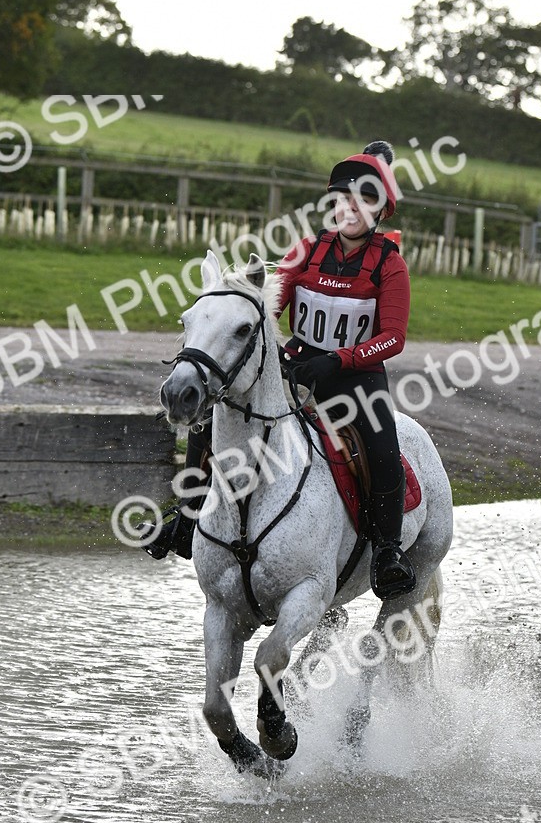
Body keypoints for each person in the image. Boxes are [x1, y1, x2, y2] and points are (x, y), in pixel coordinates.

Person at [144, 140, 416, 600]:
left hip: (357, 376)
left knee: (384, 449)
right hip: (298, 364)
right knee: (213, 417)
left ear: (381, 211)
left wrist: (336, 360)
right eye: (343, 199)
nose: (350, 209)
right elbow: (264, 310)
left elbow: (393, 338)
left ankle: (388, 551)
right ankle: (188, 519)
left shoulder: (391, 266)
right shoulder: (305, 251)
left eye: (364, 201)